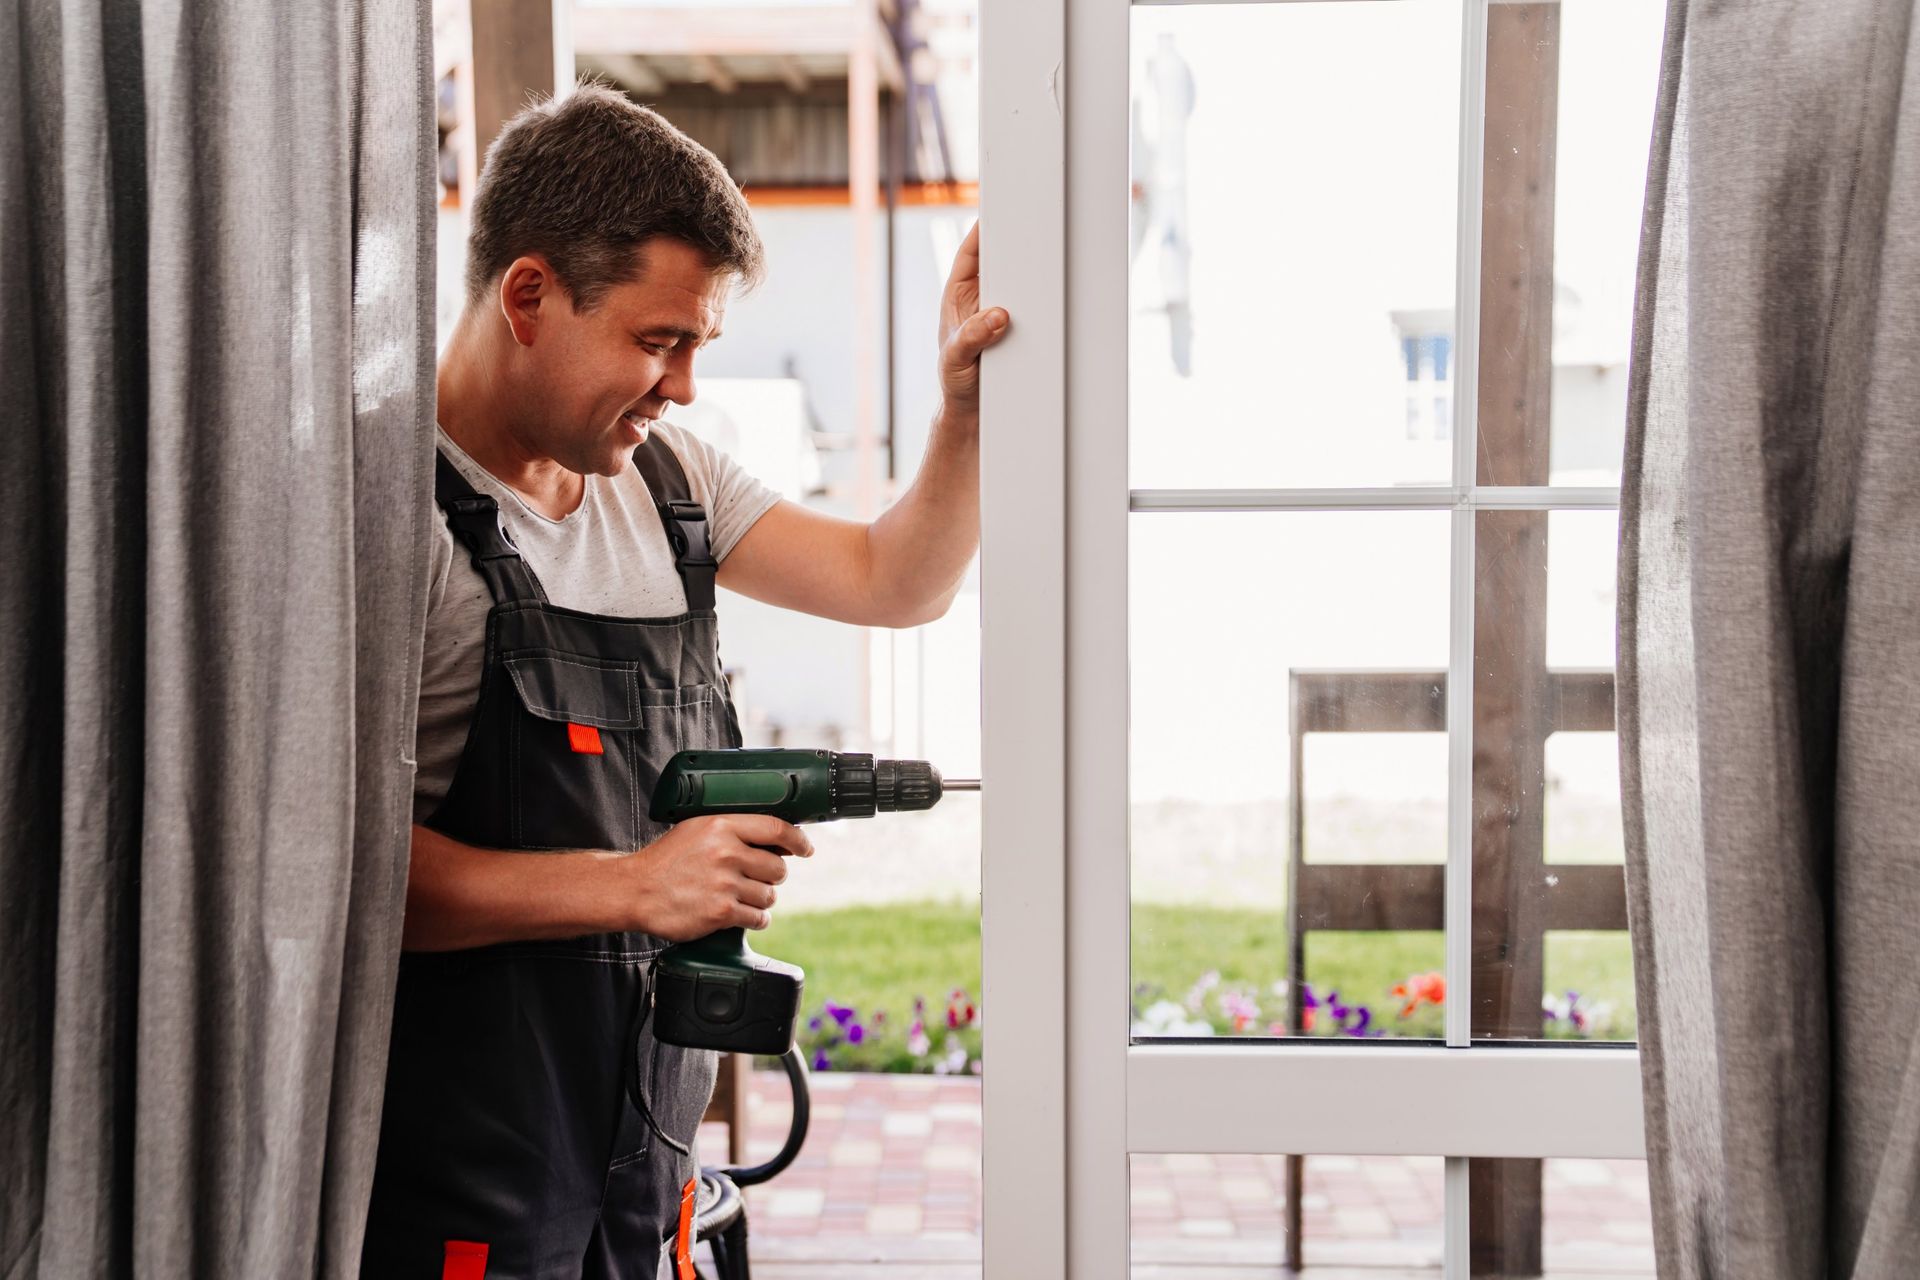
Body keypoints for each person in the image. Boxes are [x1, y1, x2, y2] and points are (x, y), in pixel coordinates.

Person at [359, 84, 1007, 1279]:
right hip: (460, 1180)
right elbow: (346, 882)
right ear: (530, 296)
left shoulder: (670, 486)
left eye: (697, 346)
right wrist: (638, 882)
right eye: (660, 341)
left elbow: (895, 577)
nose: (685, 387)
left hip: (641, 1174)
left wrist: (964, 405)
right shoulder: (391, 522)